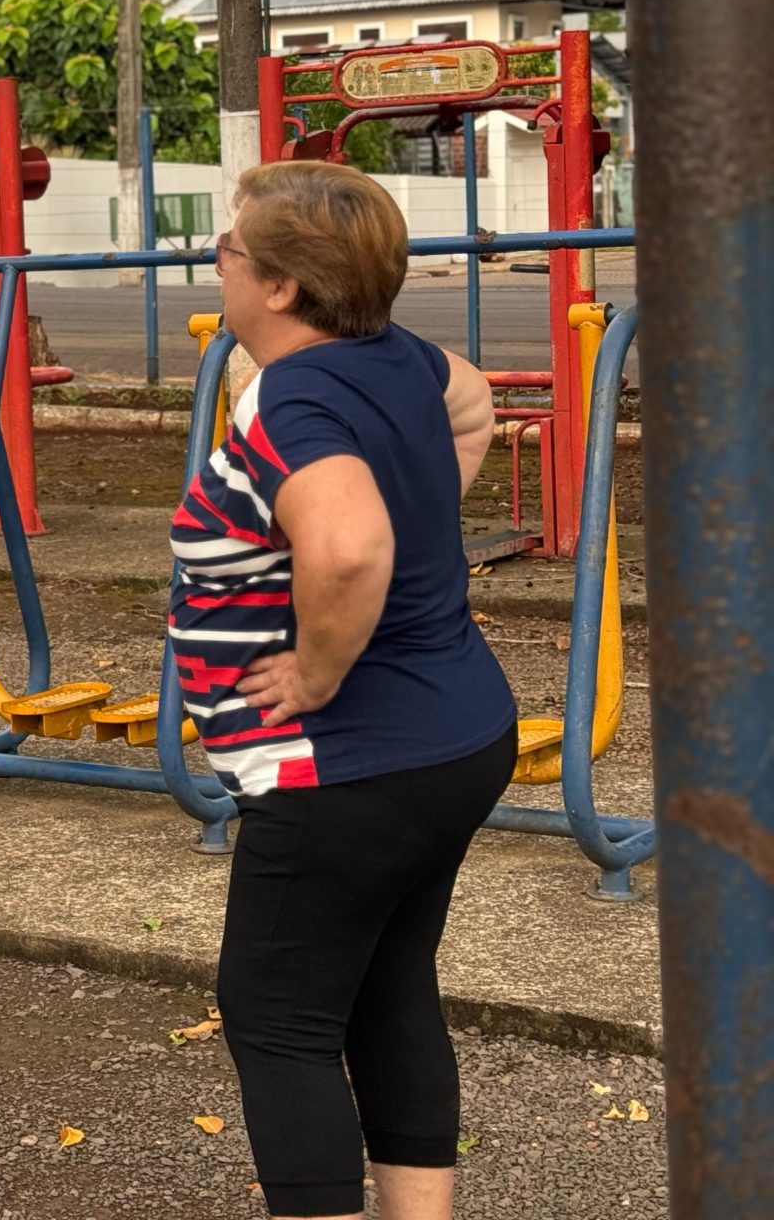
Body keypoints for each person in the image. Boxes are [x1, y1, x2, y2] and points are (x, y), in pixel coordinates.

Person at [168, 160, 516, 1220]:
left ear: (279, 286)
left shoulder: (298, 395)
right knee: (385, 987)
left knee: (277, 1019)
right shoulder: (397, 359)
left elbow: (352, 547)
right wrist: (421, 517)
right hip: (454, 737)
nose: (216, 267)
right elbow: (474, 405)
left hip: (348, 765)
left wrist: (316, 670)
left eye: (226, 251)